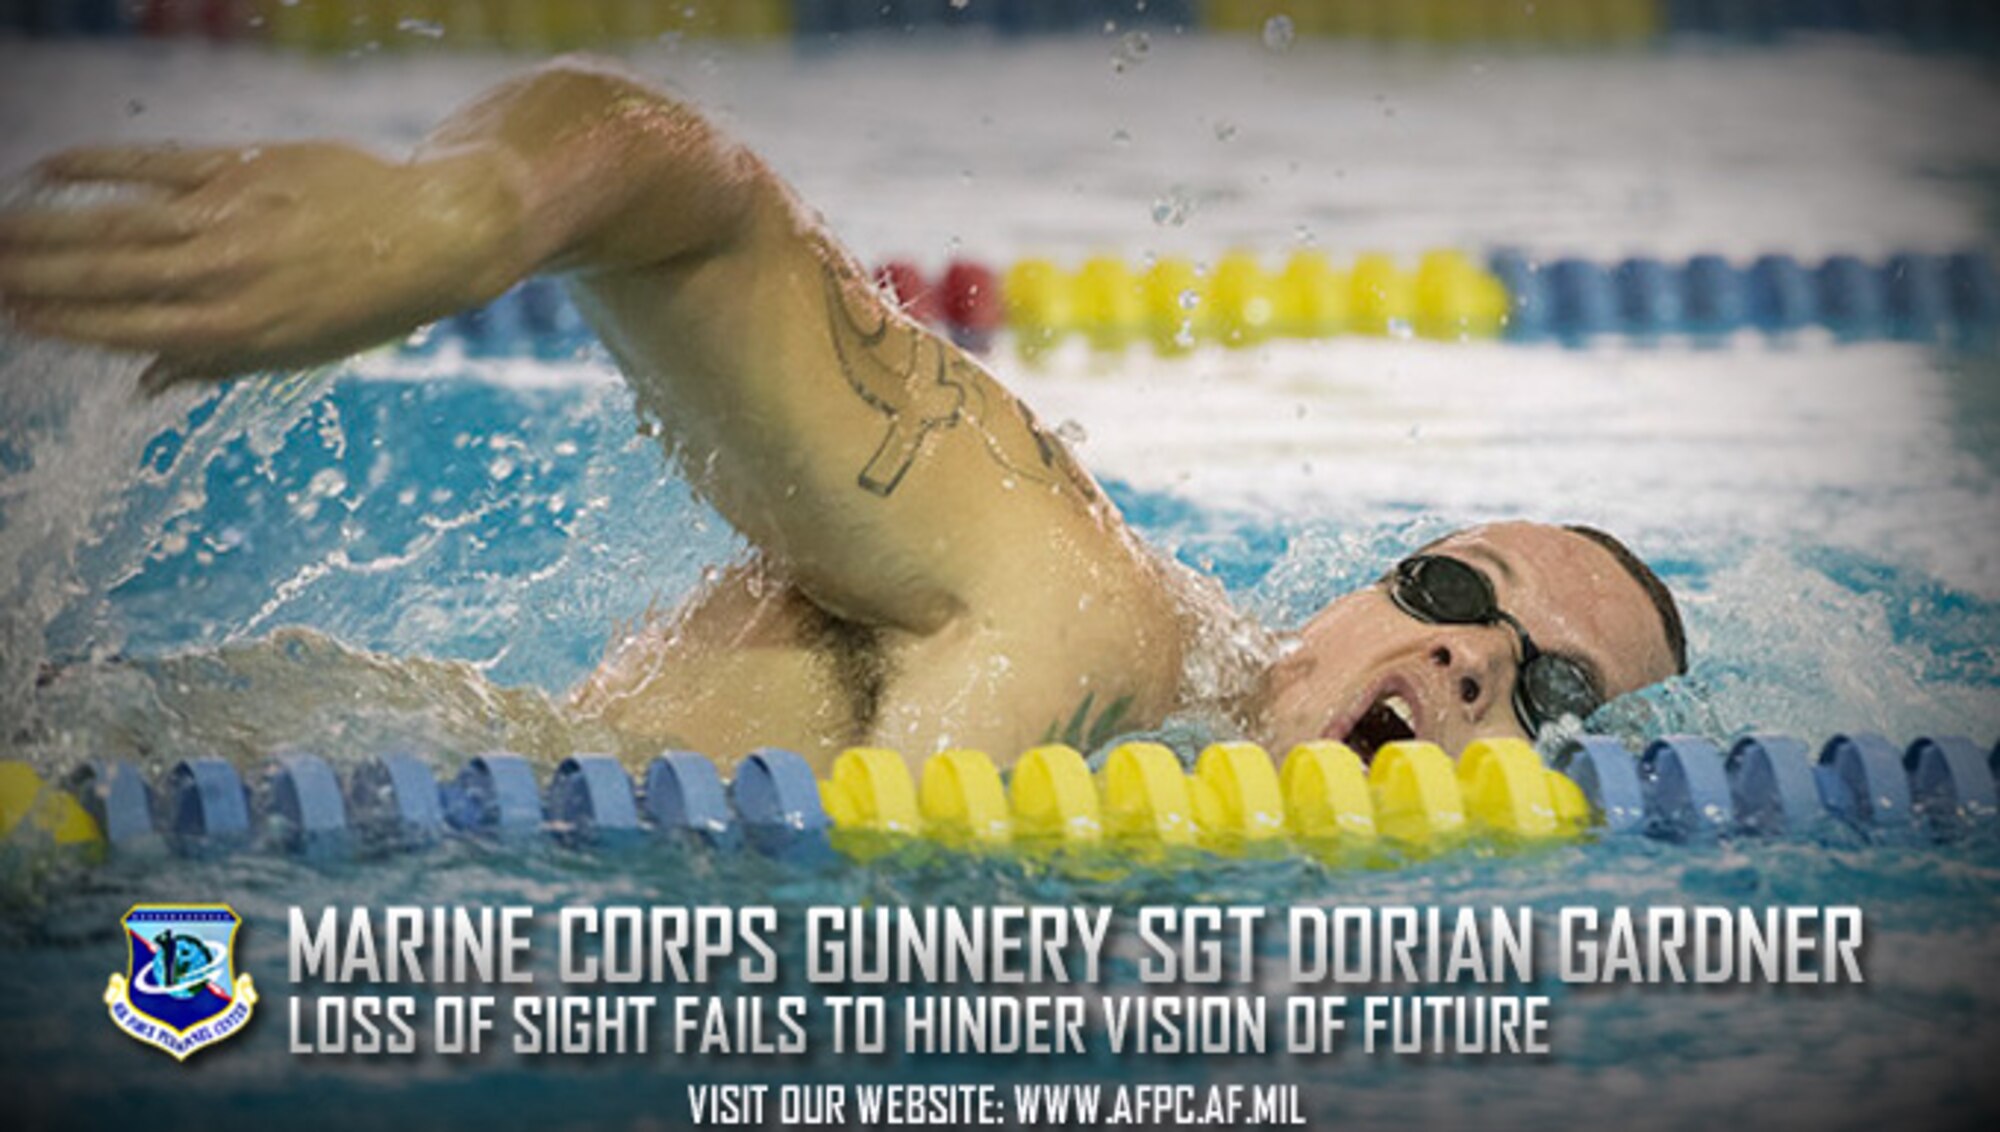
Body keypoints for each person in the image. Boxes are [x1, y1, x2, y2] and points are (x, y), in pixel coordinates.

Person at [0, 58, 1685, 774]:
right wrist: (457, 222)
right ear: (1356, 597)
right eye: (1460, 596)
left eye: (1547, 687)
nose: (1470, 661)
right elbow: (701, 198)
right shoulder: (1073, 598)